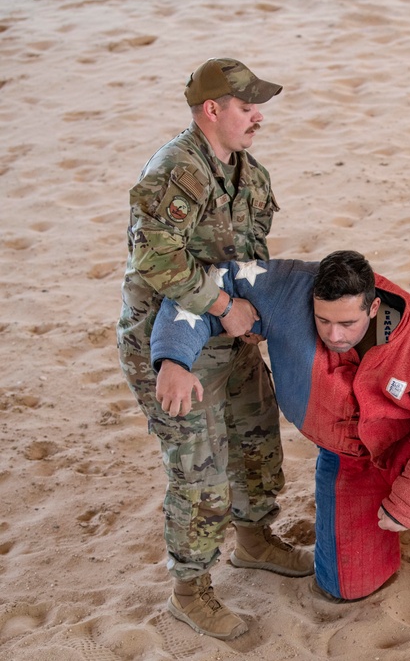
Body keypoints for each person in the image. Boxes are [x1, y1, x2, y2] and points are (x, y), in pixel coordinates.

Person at [149, 251, 410, 604]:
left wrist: (409, 504)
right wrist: (173, 360)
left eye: (347, 323)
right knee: (347, 587)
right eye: (323, 321)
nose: (334, 335)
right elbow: (206, 286)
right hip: (346, 457)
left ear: (372, 309)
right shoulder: (286, 288)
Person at [116, 57, 312, 641]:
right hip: (170, 346)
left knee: (255, 443)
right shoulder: (175, 172)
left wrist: (249, 318)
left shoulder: (250, 174)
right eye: (247, 107)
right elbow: (155, 261)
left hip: (230, 339)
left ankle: (253, 540)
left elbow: (248, 261)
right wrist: (226, 310)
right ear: (212, 110)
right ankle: (190, 592)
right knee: (199, 474)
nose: (258, 118)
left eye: (258, 108)